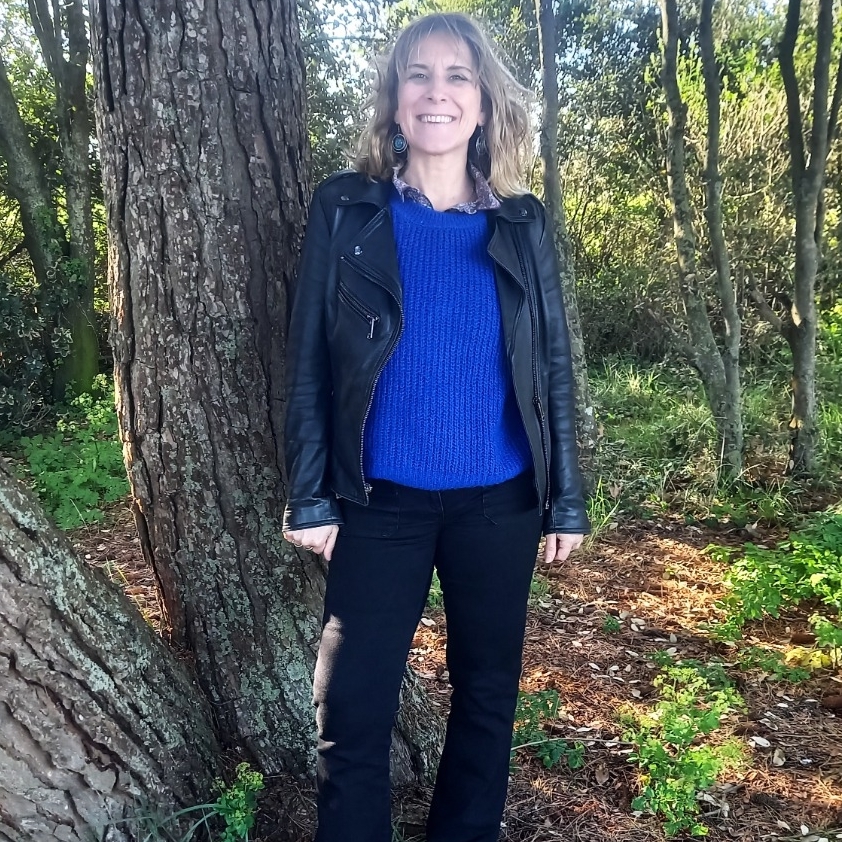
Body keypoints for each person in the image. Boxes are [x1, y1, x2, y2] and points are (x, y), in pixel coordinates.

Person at [282, 12, 590, 842]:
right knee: (350, 709)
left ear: (483, 105)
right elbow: (309, 358)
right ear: (394, 99)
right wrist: (310, 494)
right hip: (377, 504)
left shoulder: (522, 224)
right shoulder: (347, 210)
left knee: (487, 698)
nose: (437, 92)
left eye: (458, 76)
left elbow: (552, 366)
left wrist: (565, 499)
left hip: (500, 504)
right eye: (417, 74)